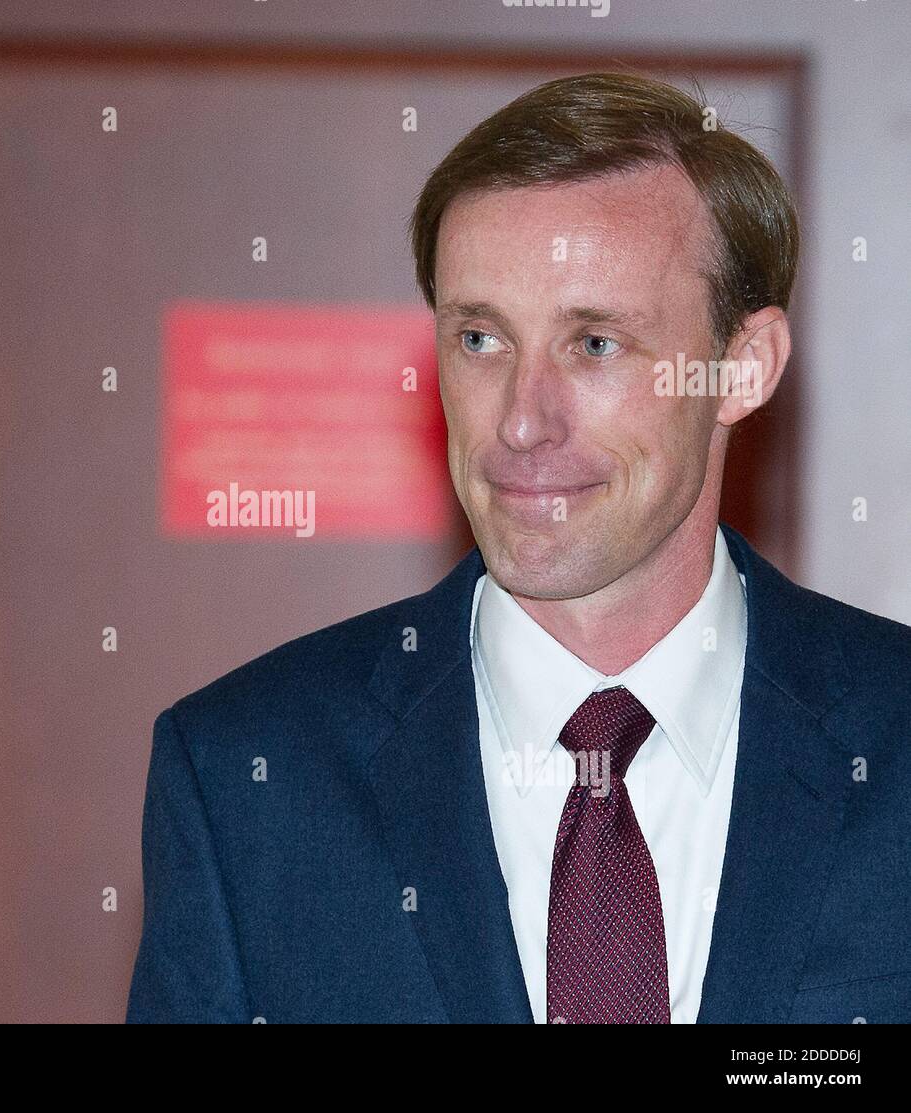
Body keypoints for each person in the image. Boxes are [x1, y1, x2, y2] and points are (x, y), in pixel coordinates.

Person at [126, 72, 911, 1023]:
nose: (522, 424)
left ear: (743, 367)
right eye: (479, 338)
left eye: (594, 345)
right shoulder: (250, 778)